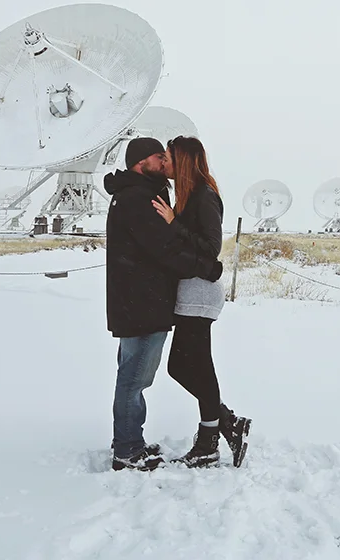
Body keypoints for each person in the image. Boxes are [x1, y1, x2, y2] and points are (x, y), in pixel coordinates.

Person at [102, 136, 224, 472]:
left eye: (167, 156)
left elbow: (174, 243)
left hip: (142, 301)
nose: (164, 162)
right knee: (134, 378)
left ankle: (130, 440)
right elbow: (164, 250)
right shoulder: (138, 198)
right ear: (142, 163)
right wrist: (208, 268)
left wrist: (178, 229)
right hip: (142, 304)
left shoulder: (142, 194)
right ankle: (128, 450)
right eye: (159, 157)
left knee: (136, 375)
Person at [151, 136, 252, 468]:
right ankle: (227, 424)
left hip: (200, 292)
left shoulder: (204, 196)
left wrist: (174, 223)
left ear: (182, 161)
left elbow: (211, 248)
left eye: (168, 158)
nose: (164, 163)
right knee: (181, 367)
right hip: (190, 291)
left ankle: (210, 441)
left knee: (196, 367)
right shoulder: (189, 196)